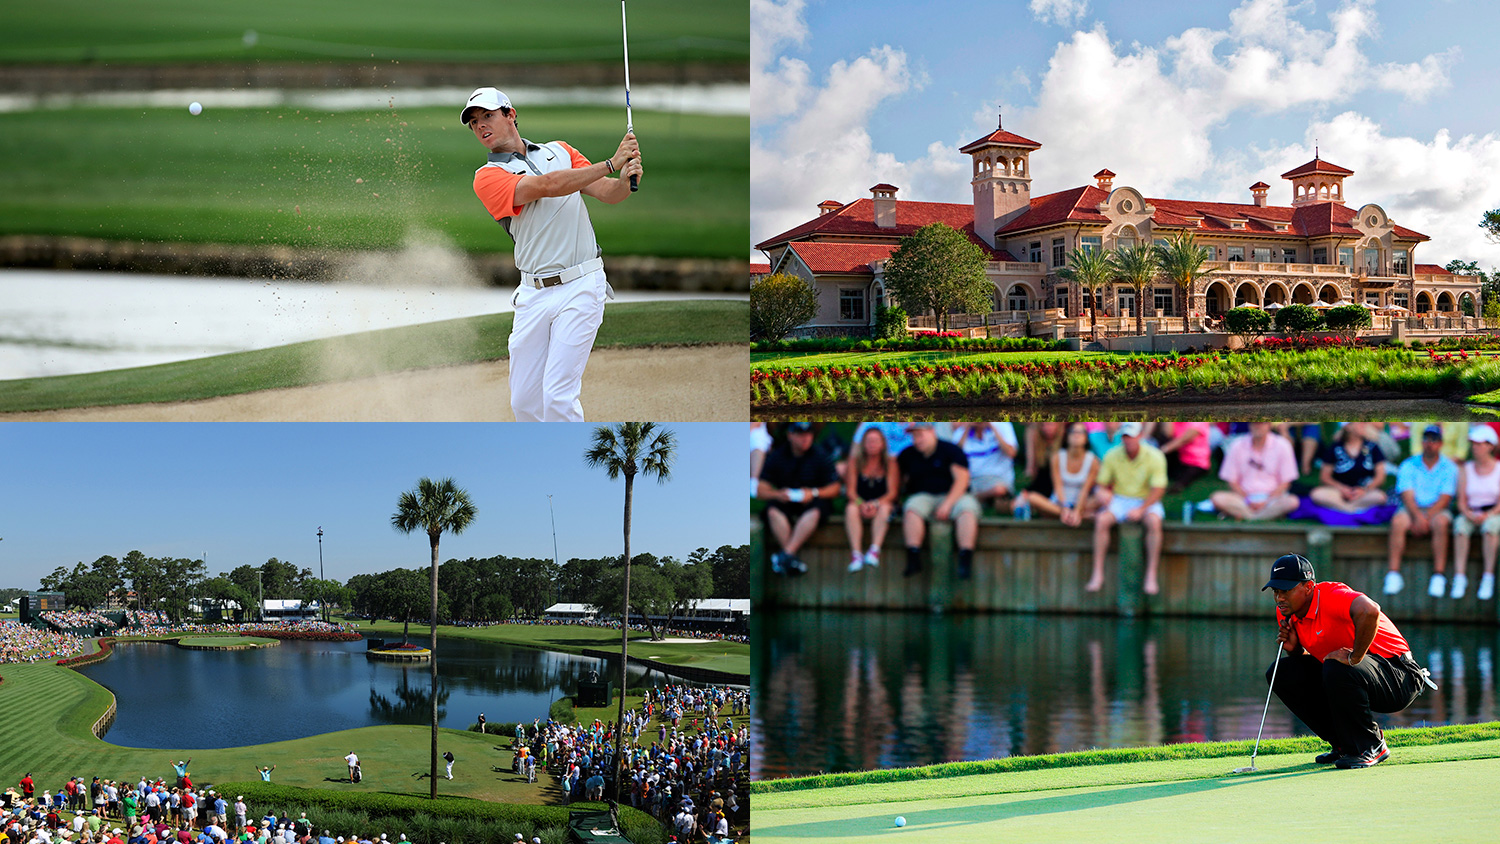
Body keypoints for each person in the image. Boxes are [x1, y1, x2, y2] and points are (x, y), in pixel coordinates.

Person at [464, 87, 643, 422]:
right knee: (524, 403)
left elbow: (607, 193)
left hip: (582, 285)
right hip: (532, 294)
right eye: (474, 123)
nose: (481, 126)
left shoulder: (560, 151)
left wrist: (622, 179)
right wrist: (609, 162)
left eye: (487, 116)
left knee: (559, 397)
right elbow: (545, 187)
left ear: (510, 114)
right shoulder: (487, 177)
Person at [1261, 553, 1435, 768]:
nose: (1279, 598)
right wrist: (1295, 649)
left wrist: (1355, 657)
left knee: (1337, 666)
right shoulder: (1287, 612)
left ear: (1308, 587)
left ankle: (1370, 745)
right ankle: (1345, 744)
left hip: (1399, 675)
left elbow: (1370, 610)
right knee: (1282, 671)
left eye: (1285, 590)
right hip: (1351, 677)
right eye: (1275, 591)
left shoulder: (1331, 595)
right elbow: (1307, 666)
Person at [1089, 422, 1168, 595]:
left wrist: (1141, 509)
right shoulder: (1112, 455)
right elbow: (1101, 484)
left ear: (1140, 436)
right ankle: (1097, 572)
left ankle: (1151, 574)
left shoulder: (1155, 456)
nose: (1128, 440)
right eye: (1125, 436)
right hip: (1120, 498)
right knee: (1101, 520)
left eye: (1131, 436)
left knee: (1154, 522)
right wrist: (1102, 492)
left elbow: (1159, 490)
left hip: (1146, 499)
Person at [897, 422, 980, 580]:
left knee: (967, 509)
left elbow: (962, 481)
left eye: (920, 434)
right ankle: (913, 557)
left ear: (932, 431)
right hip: (924, 496)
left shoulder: (950, 450)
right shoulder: (907, 454)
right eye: (914, 436)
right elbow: (899, 482)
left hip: (954, 495)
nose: (917, 440)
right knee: (912, 507)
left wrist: (947, 504)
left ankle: (965, 559)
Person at [757, 422, 840, 576]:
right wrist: (777, 494)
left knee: (816, 509)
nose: (805, 438)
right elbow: (760, 489)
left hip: (813, 501)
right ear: (790, 435)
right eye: (800, 434)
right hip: (786, 501)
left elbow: (835, 488)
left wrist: (813, 493)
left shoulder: (820, 455)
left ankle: (785, 555)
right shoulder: (778, 455)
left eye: (808, 434)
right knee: (773, 510)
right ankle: (790, 558)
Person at [1387, 424, 1458, 595]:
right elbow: (1406, 495)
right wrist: (1419, 516)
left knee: (1441, 522)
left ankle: (1438, 575)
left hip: (1437, 510)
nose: (1429, 443)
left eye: (1434, 440)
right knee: (1398, 521)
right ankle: (1393, 573)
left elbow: (1445, 498)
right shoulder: (1408, 464)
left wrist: (1425, 517)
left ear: (1440, 443)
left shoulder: (1450, 467)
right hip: (1412, 508)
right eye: (1426, 439)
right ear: (1422, 441)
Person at [1209, 422, 1301, 521]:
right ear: (1249, 425)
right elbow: (1231, 481)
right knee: (1217, 498)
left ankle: (1248, 516)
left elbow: (1286, 482)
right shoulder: (1237, 445)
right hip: (1243, 498)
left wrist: (1266, 501)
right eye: (1254, 423)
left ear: (1269, 425)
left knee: (1292, 501)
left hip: (1272, 498)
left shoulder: (1282, 445)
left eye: (1261, 423)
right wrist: (1248, 500)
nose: (1258, 426)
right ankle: (1261, 517)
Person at [1452, 425, 1500, 601]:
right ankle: (1459, 576)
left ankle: (1488, 577)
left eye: (1479, 444)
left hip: (1493, 513)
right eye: (1473, 444)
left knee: (1490, 528)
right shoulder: (1466, 469)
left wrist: (1488, 515)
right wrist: (1469, 514)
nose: (1475, 448)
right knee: (1460, 527)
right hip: (1471, 512)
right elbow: (1461, 501)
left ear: (1490, 446)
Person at [843, 425, 899, 573]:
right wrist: (862, 504)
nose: (872, 444)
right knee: (851, 508)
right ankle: (856, 554)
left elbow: (892, 493)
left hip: (881, 503)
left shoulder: (890, 462)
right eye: (869, 441)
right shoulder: (855, 461)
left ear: (883, 444)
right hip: (861, 502)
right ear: (863, 444)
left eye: (875, 441)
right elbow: (850, 491)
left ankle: (874, 550)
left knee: (886, 507)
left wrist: (874, 504)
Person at [1022, 421, 1097, 526]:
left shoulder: (1093, 461)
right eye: (1073, 432)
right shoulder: (1057, 457)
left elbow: (1085, 490)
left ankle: (1068, 515)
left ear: (1086, 438)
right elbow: (1058, 487)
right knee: (1032, 497)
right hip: (1059, 503)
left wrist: (1077, 510)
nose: (1076, 435)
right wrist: (1065, 508)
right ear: (1067, 436)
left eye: (1080, 432)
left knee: (1101, 498)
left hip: (1082, 503)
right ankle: (1077, 516)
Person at [1308, 423, 1388, 513]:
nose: (1363, 425)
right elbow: (1324, 477)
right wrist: (1342, 489)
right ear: (1348, 426)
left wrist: (1364, 490)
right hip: (1339, 493)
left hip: (1364, 492)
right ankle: (1351, 510)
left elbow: (1380, 476)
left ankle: (1344, 509)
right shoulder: (1335, 447)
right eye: (1359, 423)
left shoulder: (1372, 447)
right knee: (1317, 494)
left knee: (1380, 496)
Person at [947, 423, 1019, 510]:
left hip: (997, 479)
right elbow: (954, 458)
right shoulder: (961, 431)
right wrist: (966, 430)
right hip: (971, 480)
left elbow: (1011, 453)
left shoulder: (1002, 425)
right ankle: (986, 501)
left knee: (999, 490)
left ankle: (975, 498)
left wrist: (993, 428)